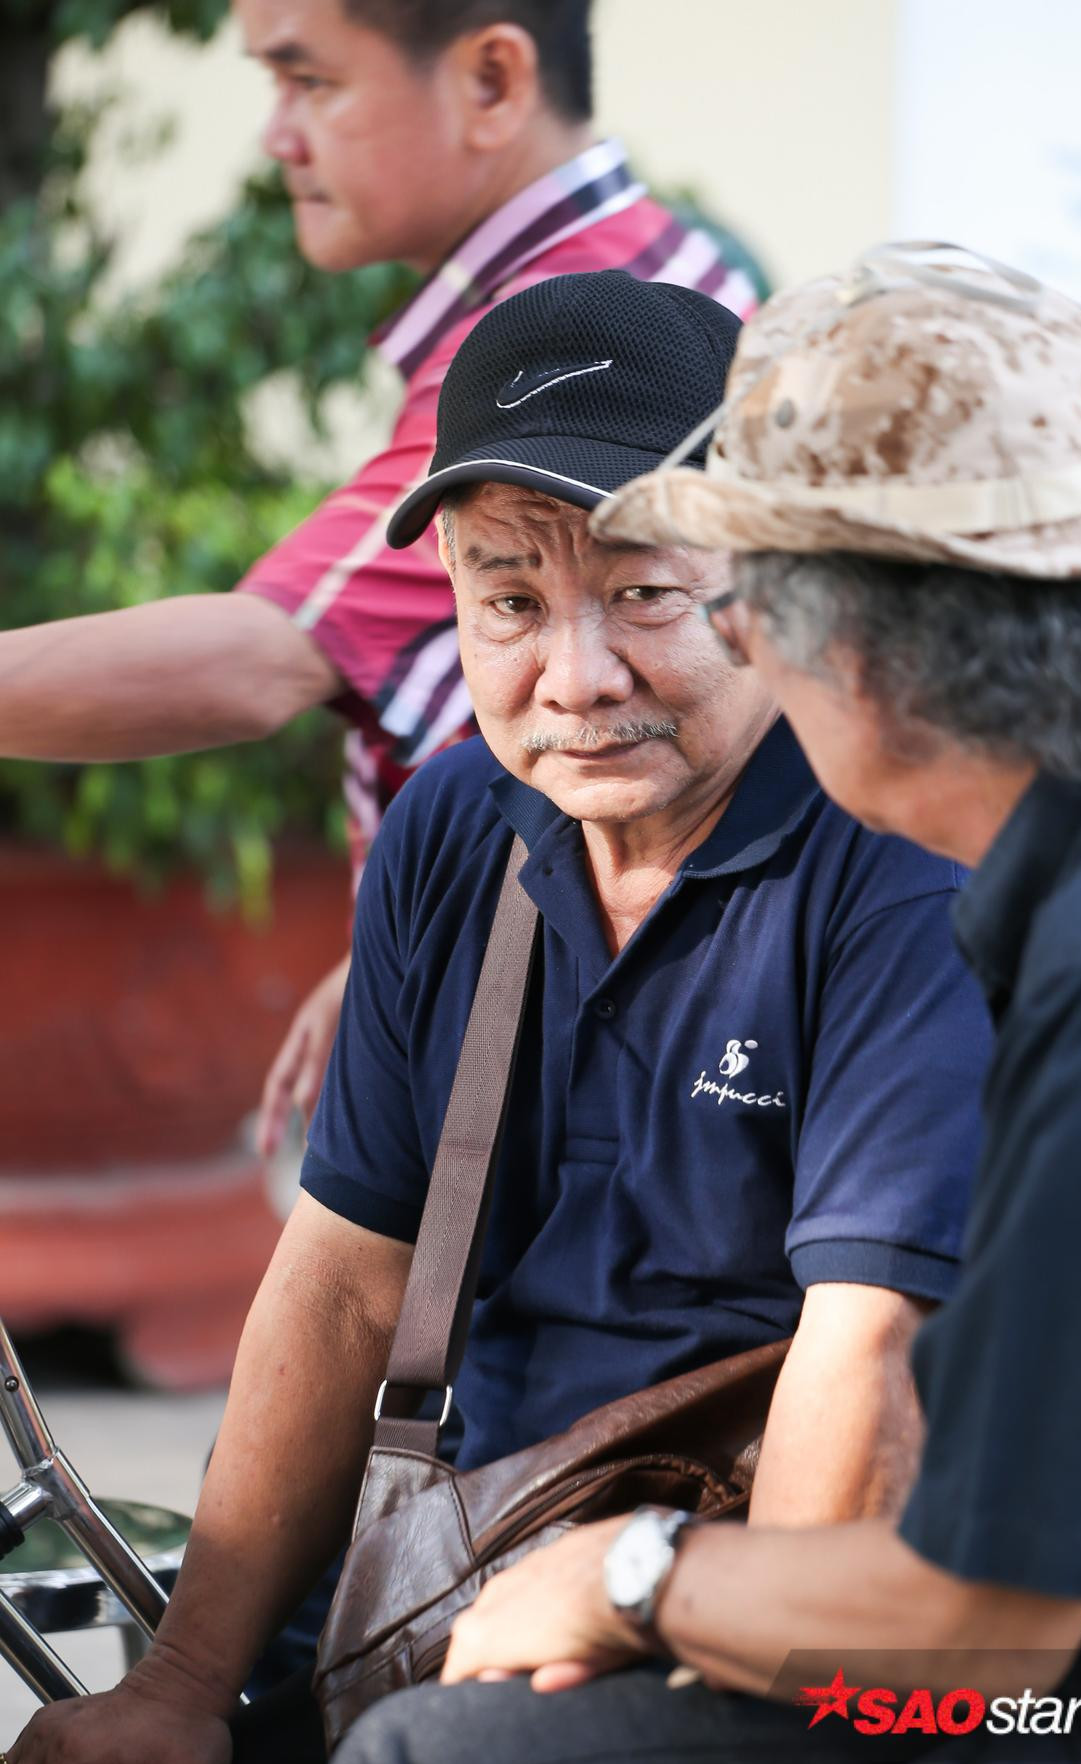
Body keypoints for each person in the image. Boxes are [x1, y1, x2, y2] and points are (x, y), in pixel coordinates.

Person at [0, 270, 992, 1764]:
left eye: (647, 594)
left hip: (764, 1610)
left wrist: (657, 1652)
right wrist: (189, 1683)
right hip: (461, 1550)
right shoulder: (457, 828)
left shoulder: (892, 857)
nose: (575, 679)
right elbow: (344, 1276)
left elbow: (869, 1366)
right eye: (510, 603)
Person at [313, 248, 1081, 1764]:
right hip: (1047, 1643)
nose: (593, 675)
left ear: (840, 654)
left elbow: (982, 1632)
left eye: (706, 598)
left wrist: (630, 1580)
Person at [0, 0, 759, 1154]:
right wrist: (410, 930)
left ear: (494, 80)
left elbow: (257, 661)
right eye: (508, 600)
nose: (279, 136)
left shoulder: (567, 338)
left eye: (313, 81)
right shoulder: (654, 271)